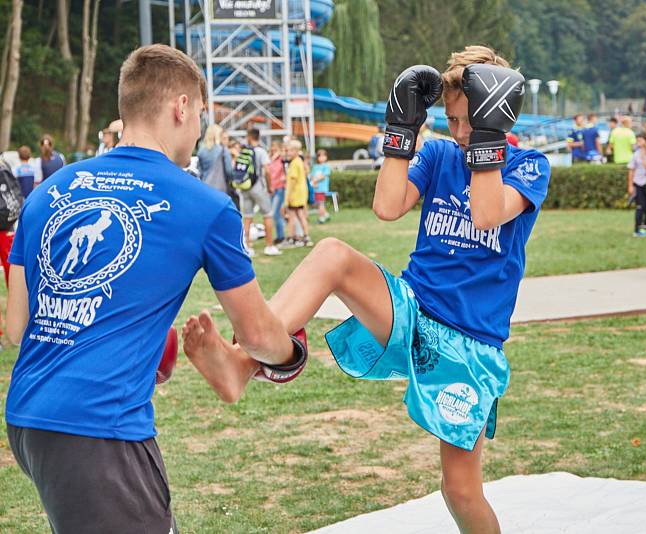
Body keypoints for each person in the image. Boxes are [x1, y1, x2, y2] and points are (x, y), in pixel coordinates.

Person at [182, 45, 550, 534]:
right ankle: (242, 363)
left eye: (469, 120)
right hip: (412, 310)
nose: (459, 131)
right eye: (453, 119)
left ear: (496, 115)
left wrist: (488, 139)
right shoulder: (440, 154)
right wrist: (402, 132)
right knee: (332, 254)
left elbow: (486, 213)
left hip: (470, 343)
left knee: (460, 492)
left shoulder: (530, 167)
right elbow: (387, 206)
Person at [3, 44, 302, 534]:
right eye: (201, 113)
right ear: (181, 107)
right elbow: (257, 336)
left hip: (29, 417)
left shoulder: (45, 193)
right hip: (99, 428)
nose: (201, 128)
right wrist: (290, 355)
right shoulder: (206, 205)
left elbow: (17, 327)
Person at [239, 128, 281, 256]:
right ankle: (269, 246)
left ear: (249, 137)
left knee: (247, 217)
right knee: (267, 215)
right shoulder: (261, 152)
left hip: (245, 187)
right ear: (258, 137)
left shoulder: (244, 151)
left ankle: (248, 247)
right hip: (258, 187)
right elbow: (267, 171)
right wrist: (269, 186)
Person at [284, 139, 312, 247]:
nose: (288, 153)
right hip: (301, 194)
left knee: (292, 217)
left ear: (296, 151)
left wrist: (288, 197)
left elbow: (292, 181)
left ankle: (290, 238)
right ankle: (306, 237)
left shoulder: (294, 163)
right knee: (301, 216)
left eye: (290, 150)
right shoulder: (299, 162)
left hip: (295, 195)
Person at [196, 123, 233, 194]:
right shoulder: (223, 150)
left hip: (205, 186)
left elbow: (199, 170)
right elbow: (229, 171)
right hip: (220, 188)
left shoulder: (201, 150)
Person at [628, 132, 646, 236]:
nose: (639, 142)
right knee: (640, 207)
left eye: (641, 140)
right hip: (638, 183)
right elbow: (631, 170)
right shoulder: (636, 154)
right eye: (637, 140)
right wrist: (630, 185)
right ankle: (637, 229)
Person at [266, 141, 287, 247]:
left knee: (274, 213)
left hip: (279, 188)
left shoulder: (281, 159)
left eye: (275, 147)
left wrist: (280, 153)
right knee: (275, 213)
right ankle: (280, 236)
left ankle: (281, 236)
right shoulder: (269, 159)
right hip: (271, 189)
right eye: (272, 146)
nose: (273, 148)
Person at [310, 148, 332, 224]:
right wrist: (313, 182)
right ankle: (326, 215)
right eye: (320, 156)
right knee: (319, 203)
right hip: (316, 188)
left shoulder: (326, 166)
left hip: (322, 188)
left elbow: (324, 176)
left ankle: (321, 218)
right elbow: (312, 175)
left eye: (324, 156)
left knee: (321, 203)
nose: (322, 158)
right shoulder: (315, 166)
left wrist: (315, 181)